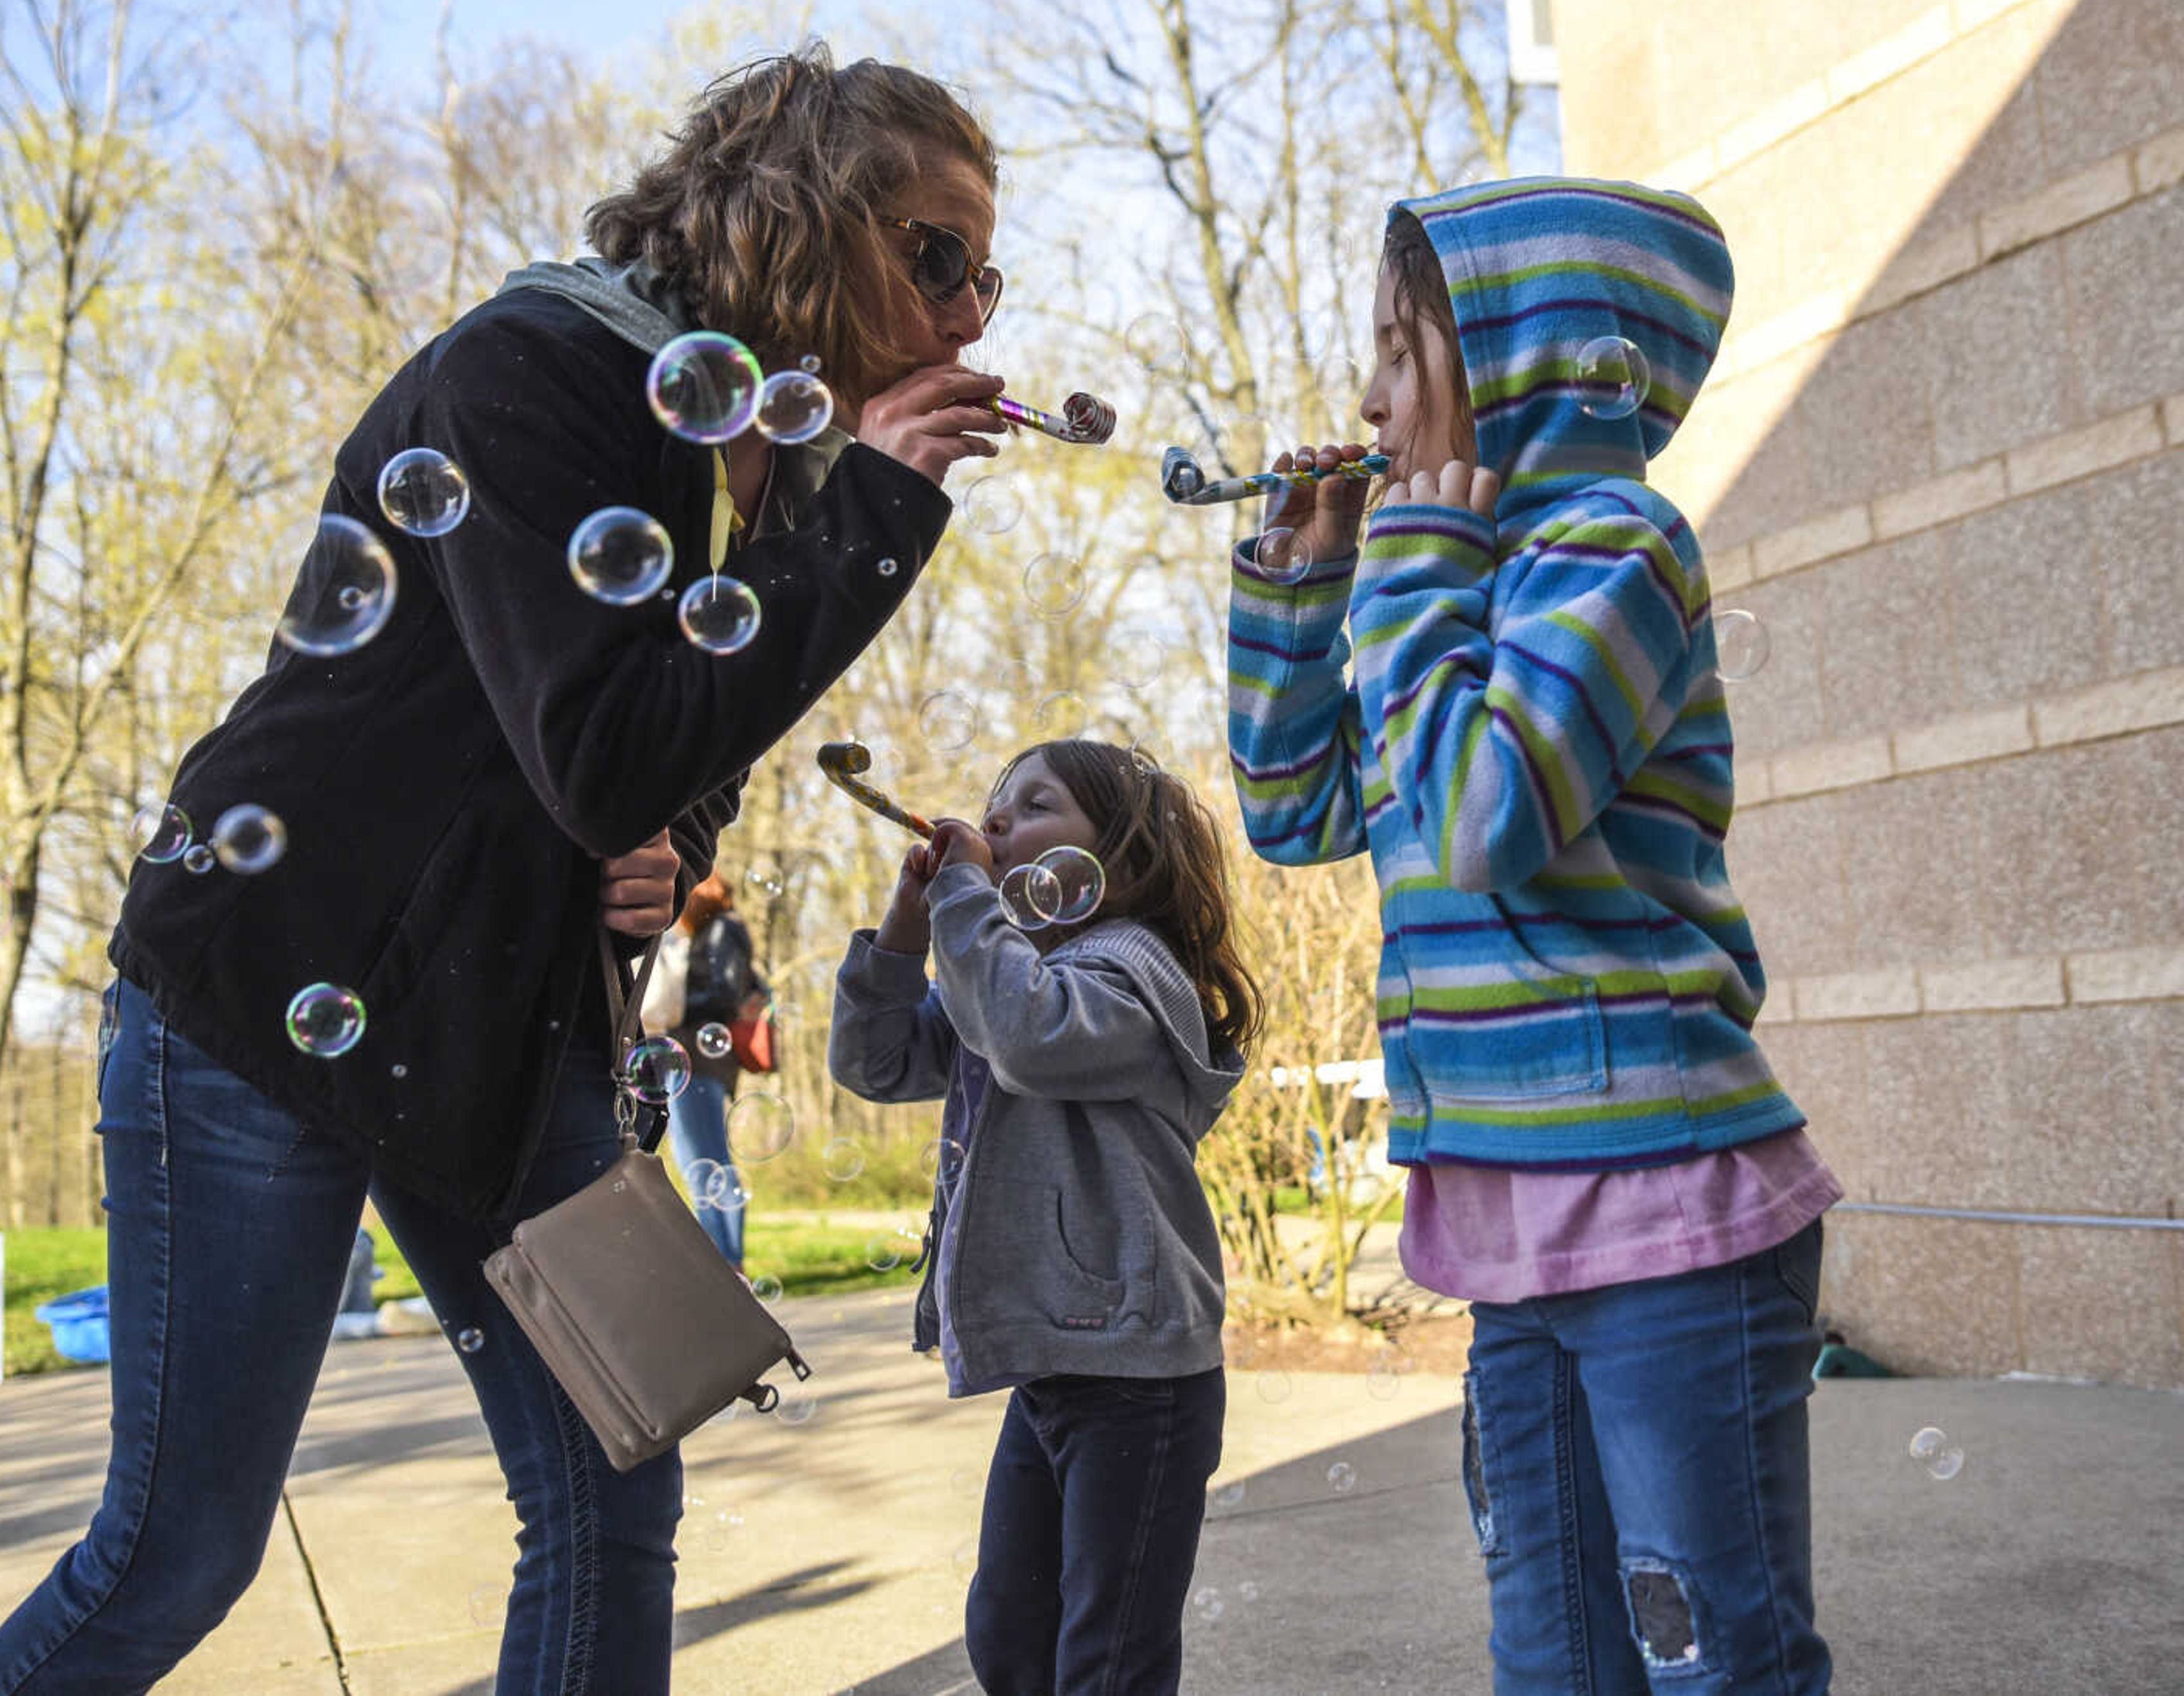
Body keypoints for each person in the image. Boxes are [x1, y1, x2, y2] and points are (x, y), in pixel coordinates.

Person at [0, 45, 1009, 1696]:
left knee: (610, 1481)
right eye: (933, 256)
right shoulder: (533, 370)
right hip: (266, 988)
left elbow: (660, 763)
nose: (968, 317)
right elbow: (597, 743)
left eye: (984, 270)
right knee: (181, 1544)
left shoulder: (754, 466)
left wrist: (679, 846)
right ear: (803, 219)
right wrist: (878, 504)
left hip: (492, 1021)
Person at [1226, 176, 1843, 1693]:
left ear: (1522, 353)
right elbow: (1298, 812)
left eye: (1396, 347)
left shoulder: (1610, 549)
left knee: (1706, 1652)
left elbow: (1487, 812)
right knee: (1552, 1651)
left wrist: (1419, 571)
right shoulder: (1436, 598)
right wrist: (1306, 592)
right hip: (1514, 1224)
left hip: (1664, 1221)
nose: (1365, 396)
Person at [829, 738, 1262, 1696]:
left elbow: (1029, 1036)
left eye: (1034, 806)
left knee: (1107, 1656)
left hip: (1139, 1373)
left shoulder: (1130, 972)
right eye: (993, 805)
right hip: (1056, 1360)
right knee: (1010, 1634)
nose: (994, 823)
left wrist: (965, 902)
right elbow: (878, 1062)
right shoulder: (1013, 976)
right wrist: (906, 929)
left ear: (1121, 852)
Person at [663, 869, 759, 1265]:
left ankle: (726, 1263)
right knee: (706, 1164)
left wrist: (677, 1006)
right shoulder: (714, 932)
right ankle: (727, 1261)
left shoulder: (722, 929)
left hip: (698, 1062)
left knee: (704, 1164)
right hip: (700, 1061)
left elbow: (725, 992)